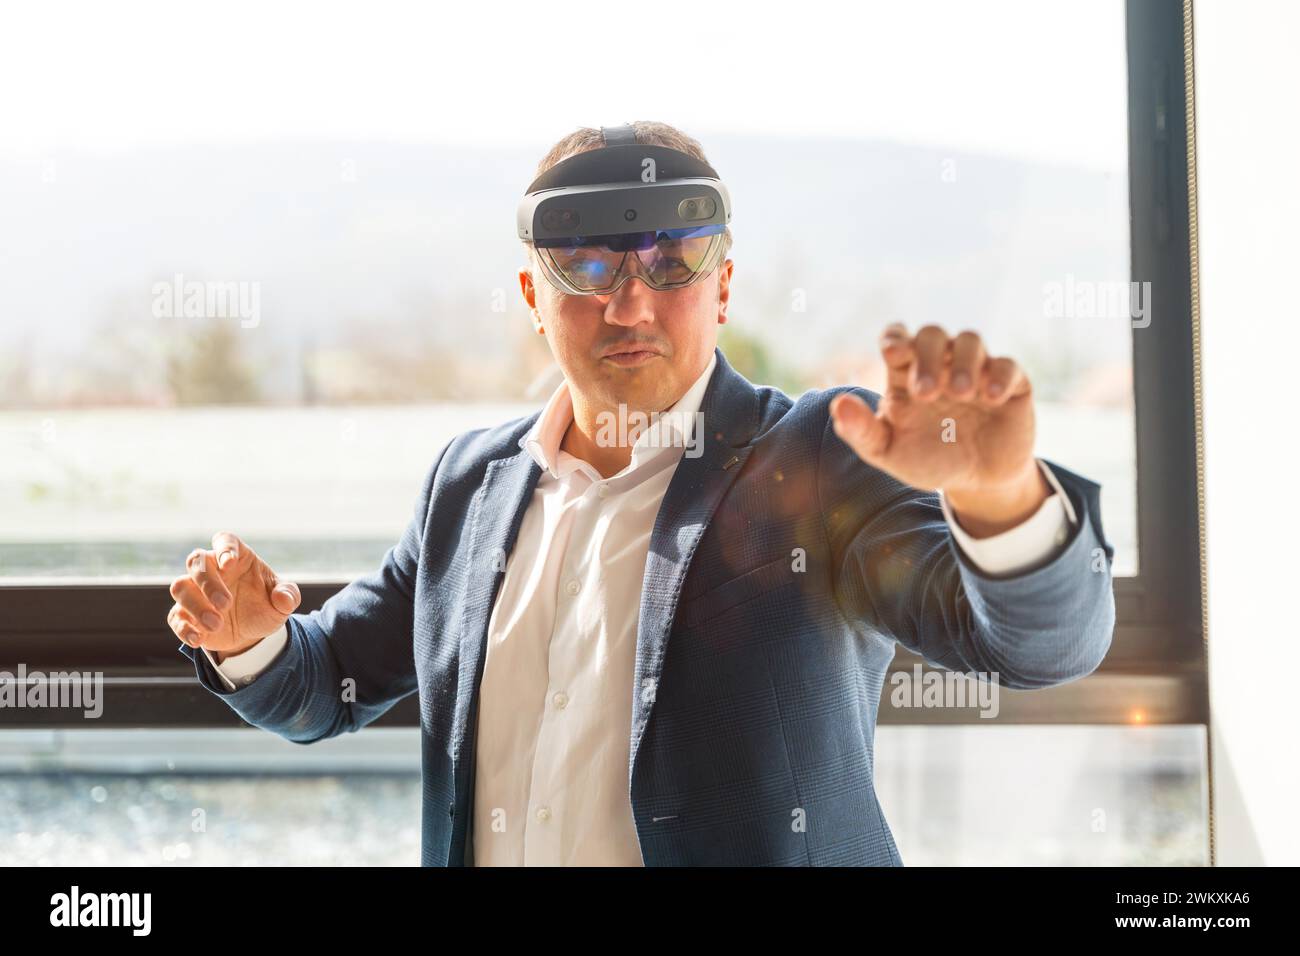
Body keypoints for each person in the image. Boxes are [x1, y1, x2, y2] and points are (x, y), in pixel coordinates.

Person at [166, 121, 1114, 866]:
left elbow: (1036, 647)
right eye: (585, 267)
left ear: (726, 285)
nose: (630, 304)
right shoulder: (467, 487)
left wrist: (1002, 501)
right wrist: (249, 641)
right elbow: (328, 686)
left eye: (673, 263)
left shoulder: (814, 458)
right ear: (533, 298)